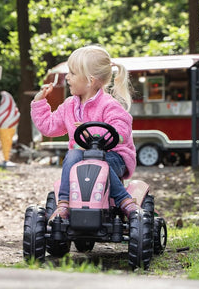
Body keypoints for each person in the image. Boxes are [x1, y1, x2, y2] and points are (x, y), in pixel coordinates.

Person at [30, 45, 139, 223]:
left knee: (98, 162)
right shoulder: (69, 106)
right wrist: (39, 102)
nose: (67, 77)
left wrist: (94, 134)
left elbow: (122, 129)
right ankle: (63, 203)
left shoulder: (108, 104)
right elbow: (49, 127)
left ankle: (123, 199)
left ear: (90, 80)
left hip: (114, 156)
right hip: (81, 159)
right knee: (73, 154)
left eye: (72, 73)